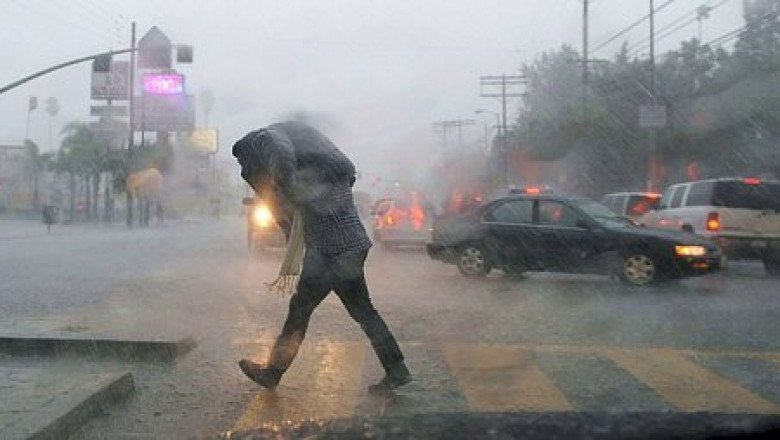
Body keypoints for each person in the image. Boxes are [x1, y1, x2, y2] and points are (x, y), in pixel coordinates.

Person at [232, 121, 410, 393]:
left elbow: (280, 163)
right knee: (364, 311)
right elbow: (346, 176)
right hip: (353, 245)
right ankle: (396, 368)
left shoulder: (265, 140)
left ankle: (273, 372)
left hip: (329, 251)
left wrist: (286, 188)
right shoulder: (327, 163)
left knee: (300, 311)